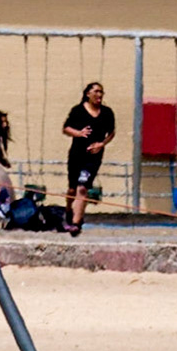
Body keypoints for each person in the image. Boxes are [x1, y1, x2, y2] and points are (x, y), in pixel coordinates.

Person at [61, 81, 114, 237]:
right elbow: (66, 128)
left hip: (93, 157)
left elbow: (111, 132)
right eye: (96, 91)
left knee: (82, 187)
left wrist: (102, 144)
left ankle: (77, 223)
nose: (99, 95)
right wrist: (78, 133)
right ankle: (69, 210)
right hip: (77, 154)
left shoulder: (107, 112)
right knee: (72, 189)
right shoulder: (78, 111)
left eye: (101, 92)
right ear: (88, 94)